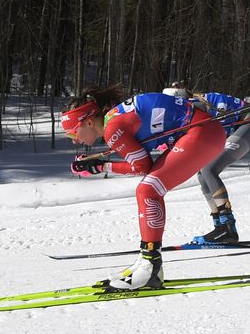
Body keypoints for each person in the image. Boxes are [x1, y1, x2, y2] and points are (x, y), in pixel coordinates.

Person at [61, 84, 226, 290]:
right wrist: (98, 164)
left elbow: (141, 166)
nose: (75, 140)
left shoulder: (112, 128)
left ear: (87, 122)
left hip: (202, 133)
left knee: (148, 189)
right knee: (148, 188)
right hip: (201, 132)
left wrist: (101, 167)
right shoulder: (113, 120)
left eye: (72, 133)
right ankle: (146, 263)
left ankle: (150, 267)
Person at [163, 84, 250, 244]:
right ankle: (220, 226)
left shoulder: (193, 105)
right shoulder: (182, 113)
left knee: (209, 169)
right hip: (236, 129)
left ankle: (227, 226)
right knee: (202, 174)